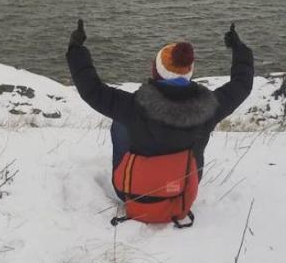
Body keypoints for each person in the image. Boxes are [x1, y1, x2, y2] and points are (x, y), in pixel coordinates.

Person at [66, 19, 254, 182]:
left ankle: (131, 171)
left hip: (135, 195)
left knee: (121, 124)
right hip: (184, 193)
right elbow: (242, 84)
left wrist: (76, 49)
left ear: (156, 71)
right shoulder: (210, 107)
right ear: (189, 72)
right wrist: (239, 49)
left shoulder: (134, 106)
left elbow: (92, 90)